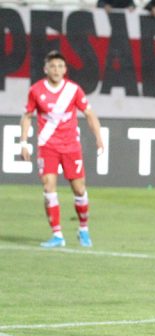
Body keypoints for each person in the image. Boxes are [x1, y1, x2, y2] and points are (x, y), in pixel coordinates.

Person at [20, 50, 104, 249]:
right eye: (52, 66)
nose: (56, 70)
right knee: (48, 187)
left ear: (65, 69)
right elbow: (27, 115)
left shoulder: (73, 90)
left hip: (70, 146)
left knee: (79, 188)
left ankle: (83, 228)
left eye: (60, 66)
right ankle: (57, 234)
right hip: (47, 146)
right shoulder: (36, 90)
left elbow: (89, 114)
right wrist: (24, 142)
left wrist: (99, 137)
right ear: (45, 69)